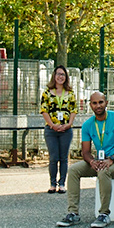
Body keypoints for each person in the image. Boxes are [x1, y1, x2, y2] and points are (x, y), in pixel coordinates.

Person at [57, 92, 114, 228]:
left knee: (104, 171)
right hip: (101, 160)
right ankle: (73, 213)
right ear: (90, 105)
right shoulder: (88, 125)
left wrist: (111, 159)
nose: (98, 106)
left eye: (101, 102)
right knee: (74, 170)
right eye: (94, 103)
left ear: (106, 103)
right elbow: (85, 152)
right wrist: (92, 161)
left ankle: (104, 214)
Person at [40, 66, 78, 194]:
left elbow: (73, 110)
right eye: (58, 74)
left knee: (63, 157)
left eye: (63, 74)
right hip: (51, 130)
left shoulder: (70, 93)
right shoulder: (47, 93)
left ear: (66, 77)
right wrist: (52, 125)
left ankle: (62, 184)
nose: (60, 77)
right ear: (54, 76)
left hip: (66, 130)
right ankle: (52, 183)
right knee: (53, 157)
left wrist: (69, 124)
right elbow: (44, 110)